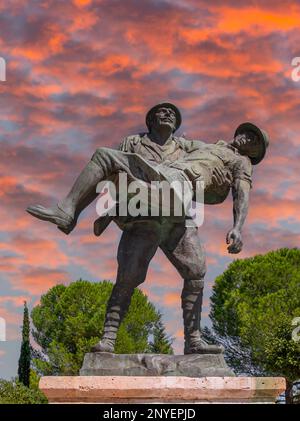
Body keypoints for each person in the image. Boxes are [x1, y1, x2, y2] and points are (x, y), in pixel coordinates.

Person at [27, 103, 269, 354]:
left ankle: (194, 340)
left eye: (254, 140)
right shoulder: (201, 145)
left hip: (177, 211)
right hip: (147, 212)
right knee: (128, 276)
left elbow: (242, 194)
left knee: (196, 271)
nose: (247, 137)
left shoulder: (241, 162)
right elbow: (126, 172)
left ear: (254, 153)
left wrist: (237, 227)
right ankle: (108, 338)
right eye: (247, 132)